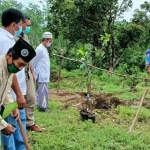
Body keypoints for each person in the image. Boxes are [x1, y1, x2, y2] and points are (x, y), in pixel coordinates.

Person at [0, 8, 30, 150]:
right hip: (10, 97)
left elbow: (5, 85)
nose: (20, 69)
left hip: (8, 98)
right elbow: (8, 78)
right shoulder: (4, 42)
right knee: (10, 132)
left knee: (14, 130)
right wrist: (18, 95)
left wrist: (12, 103)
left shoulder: (8, 39)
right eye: (20, 24)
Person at [0, 39, 36, 149]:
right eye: (19, 64)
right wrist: (3, 125)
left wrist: (11, 106)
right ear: (10, 55)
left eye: (23, 66)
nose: (20, 69)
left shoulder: (9, 69)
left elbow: (5, 91)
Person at [15, 16, 42, 132]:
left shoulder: (25, 37)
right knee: (19, 99)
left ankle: (30, 123)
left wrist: (31, 70)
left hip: (27, 73)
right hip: (18, 72)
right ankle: (20, 127)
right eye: (27, 25)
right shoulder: (13, 37)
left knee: (31, 97)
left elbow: (29, 56)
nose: (28, 28)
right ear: (21, 24)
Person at [32, 32, 52, 112]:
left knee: (44, 90)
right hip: (41, 74)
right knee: (42, 90)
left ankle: (43, 106)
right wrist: (33, 73)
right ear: (45, 39)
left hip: (45, 74)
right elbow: (33, 62)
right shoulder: (39, 49)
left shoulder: (44, 49)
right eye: (50, 41)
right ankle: (42, 107)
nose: (50, 42)